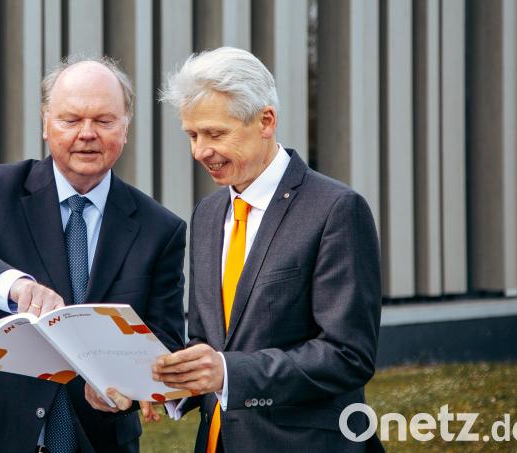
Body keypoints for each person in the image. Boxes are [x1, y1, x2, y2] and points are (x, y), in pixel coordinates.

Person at [0, 56, 186, 453]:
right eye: (71, 120)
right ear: (45, 123)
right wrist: (14, 286)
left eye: (104, 121)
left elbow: (164, 339)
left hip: (96, 438)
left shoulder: (160, 228)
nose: (87, 134)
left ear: (126, 127)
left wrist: (126, 385)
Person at [152, 47, 383, 452]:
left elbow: (349, 355)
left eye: (215, 133)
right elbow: (207, 341)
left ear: (266, 121)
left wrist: (227, 372)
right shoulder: (207, 214)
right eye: (192, 135)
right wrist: (172, 383)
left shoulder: (336, 209)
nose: (199, 151)